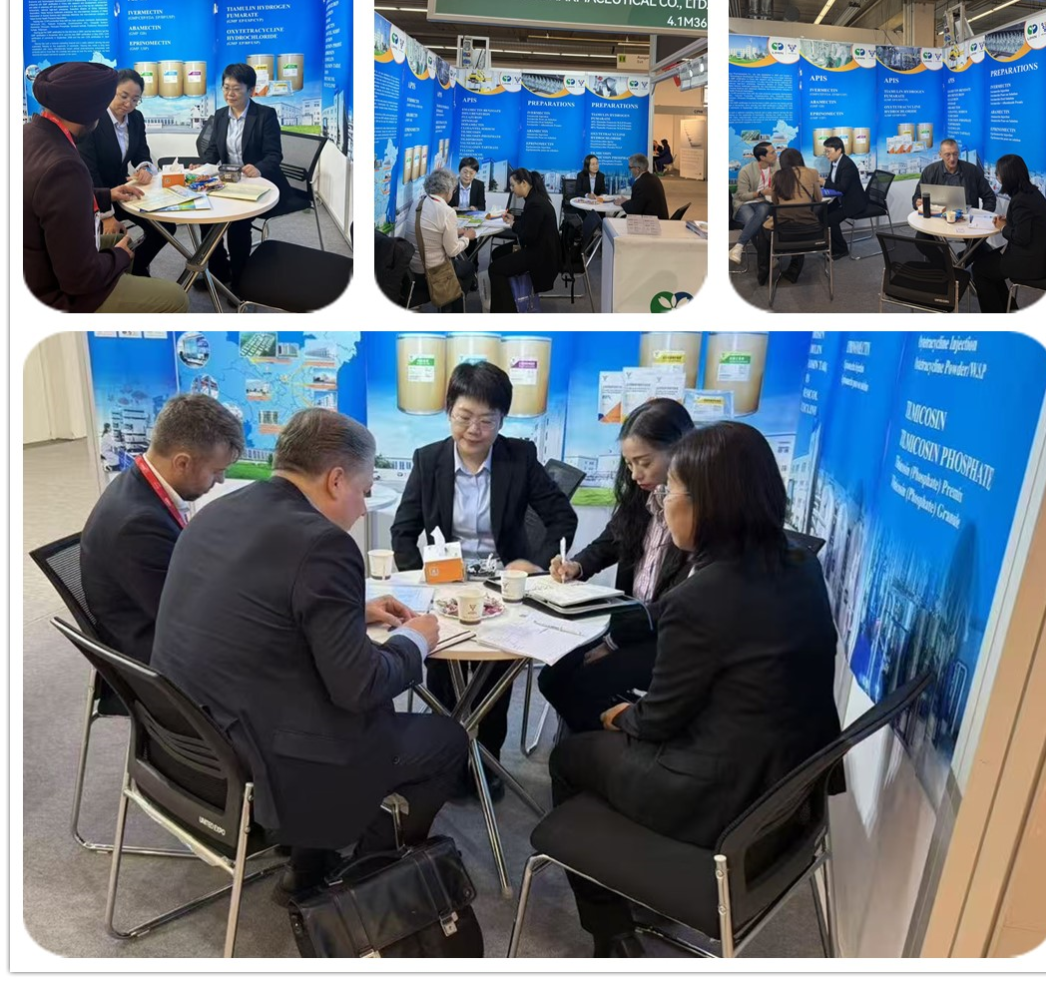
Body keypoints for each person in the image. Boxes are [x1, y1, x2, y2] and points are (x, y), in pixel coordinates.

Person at [549, 422, 841, 956]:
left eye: (671, 491)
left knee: (570, 755)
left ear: (710, 504)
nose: (662, 503)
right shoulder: (799, 562)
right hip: (785, 788)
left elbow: (657, 719)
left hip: (715, 797)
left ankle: (611, 931)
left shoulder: (702, 595)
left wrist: (620, 716)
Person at [151, 409, 467, 901]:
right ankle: (362, 886)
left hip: (188, 746)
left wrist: (350, 611)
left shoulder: (218, 511)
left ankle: (310, 865)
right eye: (364, 491)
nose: (363, 509)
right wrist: (416, 640)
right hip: (266, 765)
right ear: (336, 480)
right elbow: (359, 686)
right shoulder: (324, 544)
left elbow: (258, 608)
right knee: (446, 738)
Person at [391, 362, 578, 797]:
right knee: (443, 672)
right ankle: (443, 761)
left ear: (502, 420)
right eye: (464, 416)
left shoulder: (519, 458)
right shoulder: (429, 460)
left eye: (487, 420)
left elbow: (561, 518)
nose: (474, 430)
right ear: (448, 412)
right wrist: (419, 584)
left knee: (495, 676)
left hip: (503, 588)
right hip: (446, 587)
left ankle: (486, 763)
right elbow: (404, 530)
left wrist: (532, 564)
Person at [538, 399, 694, 734]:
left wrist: (613, 644)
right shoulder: (642, 496)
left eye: (644, 462)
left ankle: (607, 744)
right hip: (630, 625)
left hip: (663, 640)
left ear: (680, 451)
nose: (635, 474)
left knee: (582, 684)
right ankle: (600, 739)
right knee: (552, 677)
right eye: (629, 464)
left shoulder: (693, 516)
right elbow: (611, 540)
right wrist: (577, 566)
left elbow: (674, 608)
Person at [80, 394, 244, 663]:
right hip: (156, 655)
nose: (221, 480)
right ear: (182, 463)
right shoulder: (138, 526)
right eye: (216, 470)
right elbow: (189, 619)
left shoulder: (138, 484)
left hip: (156, 621)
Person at [24, 61, 188, 313]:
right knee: (177, 298)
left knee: (127, 240)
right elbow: (79, 279)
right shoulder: (65, 166)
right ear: (92, 110)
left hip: (36, 262)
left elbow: (56, 199)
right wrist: (118, 256)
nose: (128, 104)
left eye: (135, 99)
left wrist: (107, 195)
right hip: (53, 293)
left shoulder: (31, 133)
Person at [76, 68, 173, 278]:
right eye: (124, 96)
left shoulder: (135, 118)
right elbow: (89, 172)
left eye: (135, 99)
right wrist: (106, 215)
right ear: (111, 91)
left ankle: (135, 266)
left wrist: (144, 168)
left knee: (166, 228)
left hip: (124, 192)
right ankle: (122, 271)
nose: (128, 104)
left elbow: (141, 152)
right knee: (109, 236)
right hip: (95, 198)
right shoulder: (93, 120)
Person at [201, 63, 288, 285]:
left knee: (238, 225)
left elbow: (274, 155)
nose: (229, 94)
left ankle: (240, 279)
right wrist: (202, 168)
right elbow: (213, 151)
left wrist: (258, 167)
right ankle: (219, 271)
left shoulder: (265, 115)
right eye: (226, 87)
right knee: (206, 218)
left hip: (257, 182)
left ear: (250, 90)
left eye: (236, 89)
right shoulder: (220, 115)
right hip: (228, 180)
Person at [970, 154, 1046, 313]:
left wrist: (1003, 227)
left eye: (999, 173)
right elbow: (1027, 225)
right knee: (986, 264)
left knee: (979, 269)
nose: (997, 176)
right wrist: (1009, 220)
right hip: (1042, 256)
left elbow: (1021, 237)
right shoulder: (1031, 193)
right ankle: (1005, 310)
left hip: (1031, 263)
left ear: (1008, 176)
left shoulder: (1021, 200)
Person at [488, 167, 561, 313]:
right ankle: (508, 296)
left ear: (524, 183)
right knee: (497, 253)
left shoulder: (535, 204)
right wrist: (515, 219)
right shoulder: (535, 199)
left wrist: (513, 224)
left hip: (540, 255)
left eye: (512, 185)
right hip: (538, 248)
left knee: (494, 269)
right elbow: (530, 223)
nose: (511, 189)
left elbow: (528, 236)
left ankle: (507, 310)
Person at [412, 168, 477, 312]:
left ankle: (449, 303)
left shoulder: (417, 204)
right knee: (468, 268)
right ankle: (454, 308)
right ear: (448, 190)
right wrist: (467, 237)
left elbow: (429, 231)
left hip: (413, 269)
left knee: (460, 270)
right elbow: (452, 251)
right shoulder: (447, 212)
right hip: (433, 272)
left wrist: (454, 232)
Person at [761, 148, 824, 285]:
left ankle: (765, 267)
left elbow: (775, 202)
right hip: (809, 226)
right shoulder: (812, 172)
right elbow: (818, 199)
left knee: (764, 228)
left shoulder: (777, 175)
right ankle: (795, 264)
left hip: (783, 228)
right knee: (799, 224)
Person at [910, 138, 996, 212]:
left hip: (966, 218)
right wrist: (917, 202)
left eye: (955, 154)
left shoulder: (972, 171)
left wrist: (982, 216)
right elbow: (917, 197)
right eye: (947, 155)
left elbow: (990, 197)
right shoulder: (929, 172)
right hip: (937, 217)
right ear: (940, 155)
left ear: (958, 153)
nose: (952, 159)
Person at [729, 142, 778, 267]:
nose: (775, 154)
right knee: (756, 223)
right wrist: (760, 193)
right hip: (745, 204)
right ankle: (768, 258)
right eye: (772, 152)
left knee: (762, 210)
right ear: (762, 157)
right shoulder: (746, 171)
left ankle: (739, 246)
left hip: (767, 204)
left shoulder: (777, 167)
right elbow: (742, 195)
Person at [819, 136, 866, 259]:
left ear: (839, 150)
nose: (827, 155)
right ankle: (830, 245)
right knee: (820, 213)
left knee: (831, 219)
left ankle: (841, 249)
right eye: (825, 152)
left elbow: (842, 187)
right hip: (841, 199)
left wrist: (824, 183)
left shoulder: (847, 165)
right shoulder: (835, 162)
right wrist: (821, 183)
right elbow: (832, 181)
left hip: (852, 202)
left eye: (829, 152)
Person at [615, 153, 669, 220]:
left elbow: (634, 211)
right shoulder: (654, 178)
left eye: (630, 168)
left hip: (650, 222)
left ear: (637, 169)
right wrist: (627, 202)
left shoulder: (640, 184)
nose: (630, 170)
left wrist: (623, 203)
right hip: (659, 219)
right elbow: (640, 202)